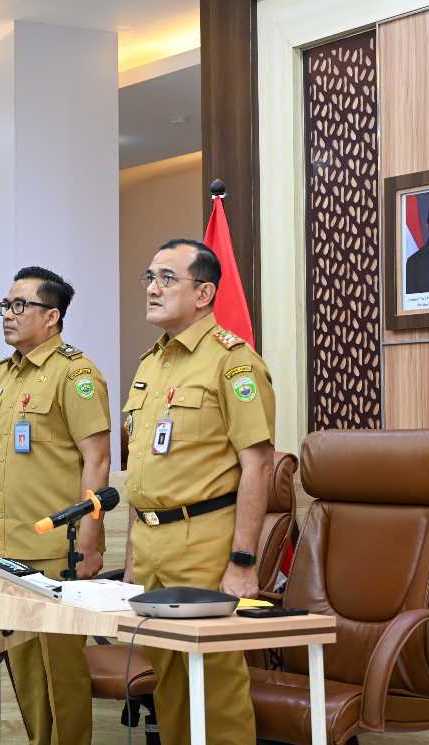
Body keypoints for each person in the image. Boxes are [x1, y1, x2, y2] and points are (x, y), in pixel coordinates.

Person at [123, 238, 275, 745]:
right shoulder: (150, 365)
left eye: (168, 278)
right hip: (150, 546)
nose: (152, 288)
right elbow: (141, 473)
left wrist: (244, 560)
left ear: (205, 292)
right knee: (168, 685)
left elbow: (258, 464)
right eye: (149, 276)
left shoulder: (232, 362)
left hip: (205, 543)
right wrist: (130, 559)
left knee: (216, 685)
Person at [0, 267, 112, 745]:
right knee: (25, 671)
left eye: (20, 306)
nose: (9, 315)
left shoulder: (75, 374)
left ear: (52, 316)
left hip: (56, 548)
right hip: (11, 547)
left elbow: (96, 461)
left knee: (61, 672)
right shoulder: (2, 374)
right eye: (6, 305)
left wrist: (88, 541)